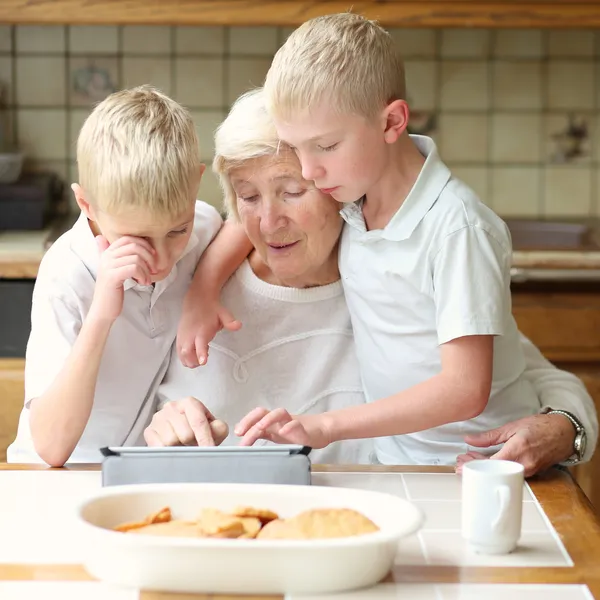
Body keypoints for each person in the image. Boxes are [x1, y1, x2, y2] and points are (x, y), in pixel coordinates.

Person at [177, 14, 594, 468]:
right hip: (401, 465)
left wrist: (326, 425)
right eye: (298, 151)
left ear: (391, 122)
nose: (311, 171)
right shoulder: (356, 199)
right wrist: (203, 290)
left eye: (320, 154)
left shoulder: (448, 226)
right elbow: (254, 210)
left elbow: (477, 383)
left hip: (486, 467)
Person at [7, 86, 224, 467]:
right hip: (52, 475)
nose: (160, 258)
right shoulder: (66, 273)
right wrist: (102, 314)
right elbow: (50, 447)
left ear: (196, 182)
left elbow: (235, 224)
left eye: (176, 231)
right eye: (136, 239)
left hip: (132, 469)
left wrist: (204, 288)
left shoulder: (203, 225)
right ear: (86, 204)